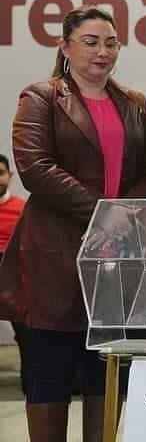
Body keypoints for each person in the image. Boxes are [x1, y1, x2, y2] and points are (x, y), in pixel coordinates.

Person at [0, 5, 146, 442]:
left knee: (105, 377)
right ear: (65, 46)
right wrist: (103, 211)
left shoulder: (134, 103)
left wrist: (121, 214)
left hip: (115, 262)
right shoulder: (39, 97)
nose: (102, 52)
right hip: (52, 261)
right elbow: (35, 167)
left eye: (111, 43)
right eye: (90, 42)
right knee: (48, 376)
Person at [0, 153, 26, 393]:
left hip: (14, 276)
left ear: (10, 176)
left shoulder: (22, 208)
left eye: (0, 173)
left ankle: (31, 378)